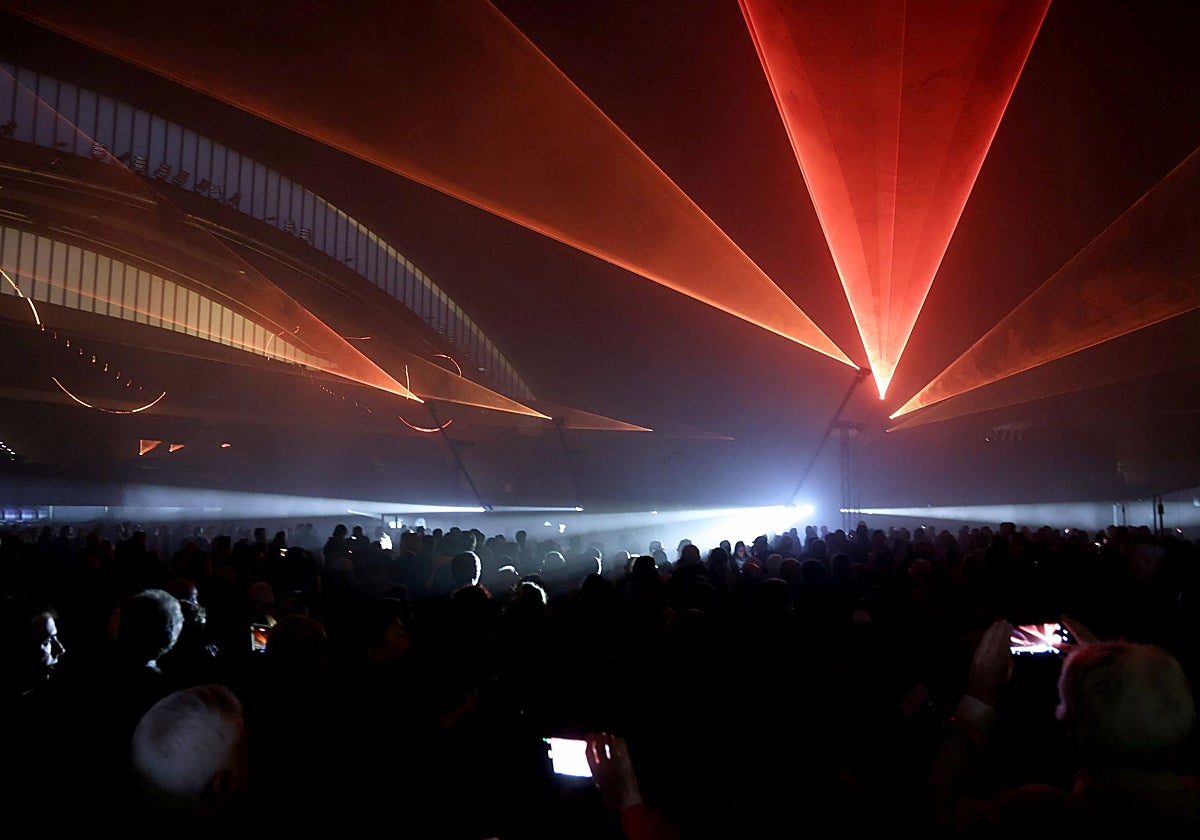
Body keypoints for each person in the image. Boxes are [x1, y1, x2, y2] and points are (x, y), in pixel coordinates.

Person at [930, 617, 1200, 837]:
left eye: (1064, 704)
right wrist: (1116, 671)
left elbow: (936, 817)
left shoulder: (1041, 817)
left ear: (1069, 724)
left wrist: (977, 704)